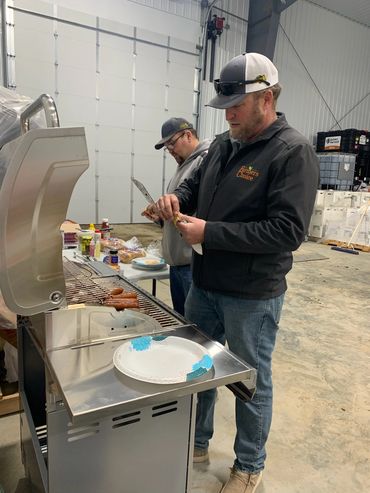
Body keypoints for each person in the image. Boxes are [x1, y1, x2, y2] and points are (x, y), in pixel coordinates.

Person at [153, 53, 319, 493]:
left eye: (236, 105)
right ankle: (197, 441)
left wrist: (211, 231)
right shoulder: (225, 144)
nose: (228, 114)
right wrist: (177, 199)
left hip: (251, 294)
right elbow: (196, 182)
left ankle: (249, 464)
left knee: (249, 382)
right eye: (224, 105)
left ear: (266, 98)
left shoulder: (291, 152)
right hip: (205, 285)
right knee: (196, 369)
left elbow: (287, 231)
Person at [142, 117, 211, 316]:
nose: (169, 150)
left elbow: (197, 207)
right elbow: (180, 211)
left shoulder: (204, 160)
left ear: (188, 135)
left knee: (195, 329)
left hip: (191, 263)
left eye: (171, 143)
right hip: (177, 263)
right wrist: (160, 215)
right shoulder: (183, 165)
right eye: (166, 147)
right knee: (181, 321)